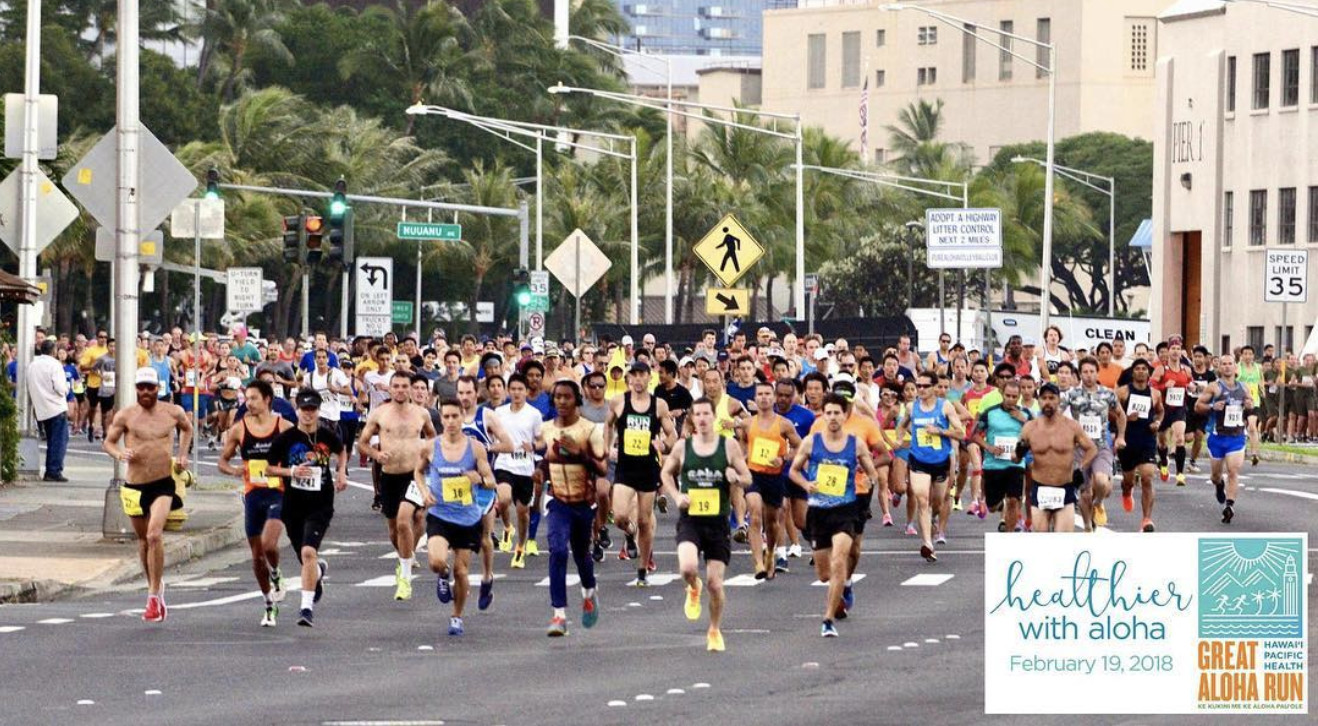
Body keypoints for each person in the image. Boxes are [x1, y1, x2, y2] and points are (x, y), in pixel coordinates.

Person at [660, 397, 752, 651]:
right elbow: (665, 472)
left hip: (718, 522)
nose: (701, 419)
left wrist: (735, 477)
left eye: (706, 414)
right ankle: (693, 587)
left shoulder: (728, 446)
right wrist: (676, 495)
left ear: (714, 417)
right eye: (697, 414)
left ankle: (714, 629)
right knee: (688, 568)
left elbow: (747, 477)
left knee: (715, 583)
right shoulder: (683, 447)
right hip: (691, 519)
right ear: (692, 418)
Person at [102, 368, 193, 622]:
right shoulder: (126, 415)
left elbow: (187, 429)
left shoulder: (172, 412)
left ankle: (153, 597)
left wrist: (182, 454)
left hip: (163, 482)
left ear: (158, 388)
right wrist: (119, 454)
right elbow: (108, 442)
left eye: (149, 387)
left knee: (154, 535)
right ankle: (155, 584)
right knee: (143, 541)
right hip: (135, 485)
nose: (145, 392)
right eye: (140, 387)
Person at [789, 394, 881, 638]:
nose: (832, 417)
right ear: (823, 415)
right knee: (824, 574)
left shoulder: (856, 444)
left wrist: (868, 479)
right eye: (827, 413)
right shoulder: (811, 442)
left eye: (836, 413)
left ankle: (828, 618)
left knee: (840, 559)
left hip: (845, 510)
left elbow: (873, 472)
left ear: (845, 415)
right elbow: (794, 471)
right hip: (818, 511)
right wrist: (806, 484)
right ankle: (839, 588)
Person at [265, 389, 347, 627]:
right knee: (304, 556)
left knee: (309, 552)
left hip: (320, 504)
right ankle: (317, 572)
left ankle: (306, 609)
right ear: (297, 410)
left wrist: (341, 471)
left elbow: (341, 450)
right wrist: (291, 471)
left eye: (312, 410)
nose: (308, 414)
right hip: (293, 505)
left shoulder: (327, 435)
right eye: (304, 409)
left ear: (319, 411)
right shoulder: (286, 438)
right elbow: (269, 468)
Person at [416, 399, 497, 637]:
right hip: (440, 514)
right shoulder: (431, 447)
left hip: (467, 518)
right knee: (436, 562)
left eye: (455, 416)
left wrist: (479, 479)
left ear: (462, 417)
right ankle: (443, 574)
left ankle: (457, 616)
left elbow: (491, 481)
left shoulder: (475, 448)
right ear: (441, 419)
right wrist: (424, 492)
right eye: (446, 417)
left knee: (461, 572)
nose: (451, 421)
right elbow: (418, 471)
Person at [218, 380, 292, 626]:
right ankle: (269, 604)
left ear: (267, 399)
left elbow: (302, 454)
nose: (248, 403)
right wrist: (234, 471)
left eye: (253, 398)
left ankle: (276, 573)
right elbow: (223, 461)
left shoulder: (283, 426)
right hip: (253, 495)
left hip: (277, 493)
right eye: (246, 398)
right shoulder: (240, 429)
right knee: (257, 557)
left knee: (270, 544)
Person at [358, 373, 436, 601]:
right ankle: (405, 556)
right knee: (394, 529)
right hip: (390, 476)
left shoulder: (421, 414)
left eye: (404, 386)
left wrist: (428, 456)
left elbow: (433, 437)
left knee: (405, 520)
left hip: (414, 476)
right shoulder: (380, 413)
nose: (400, 390)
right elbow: (362, 443)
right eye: (396, 386)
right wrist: (376, 455)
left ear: (410, 389)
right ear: (390, 389)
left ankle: (405, 577)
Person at [538, 380, 606, 637]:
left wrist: (579, 454)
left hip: (583, 502)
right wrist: (540, 471)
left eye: (567, 397)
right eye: (557, 397)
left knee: (580, 554)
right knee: (557, 550)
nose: (562, 402)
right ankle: (559, 615)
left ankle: (589, 591)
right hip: (558, 501)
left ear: (577, 400)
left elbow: (601, 468)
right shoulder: (546, 429)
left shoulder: (589, 430)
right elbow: (548, 459)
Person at [605, 361, 677, 585]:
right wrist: (608, 448)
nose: (637, 379)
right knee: (619, 516)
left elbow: (672, 435)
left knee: (645, 521)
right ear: (628, 379)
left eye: (641, 375)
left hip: (647, 468)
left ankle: (643, 569)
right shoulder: (619, 401)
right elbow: (608, 425)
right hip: (625, 467)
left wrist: (663, 445)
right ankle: (629, 532)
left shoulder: (659, 405)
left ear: (649, 377)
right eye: (633, 375)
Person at [895, 372, 964, 562]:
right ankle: (927, 543)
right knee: (922, 500)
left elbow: (960, 433)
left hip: (941, 461)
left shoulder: (945, 406)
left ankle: (933, 519)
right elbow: (901, 426)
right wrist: (900, 438)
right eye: (919, 386)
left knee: (938, 502)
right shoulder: (912, 407)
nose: (921, 389)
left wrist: (940, 431)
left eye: (925, 386)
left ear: (934, 387)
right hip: (918, 460)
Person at [456, 375, 510, 609]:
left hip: (484, 483)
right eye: (461, 393)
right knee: (457, 535)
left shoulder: (486, 416)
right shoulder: (451, 416)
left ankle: (487, 577)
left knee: (484, 537)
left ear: (476, 393)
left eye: (469, 392)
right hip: (458, 484)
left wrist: (486, 447)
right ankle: (456, 576)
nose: (465, 397)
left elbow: (508, 444)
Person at [1015, 383, 1096, 533]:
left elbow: (1091, 448)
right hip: (1040, 487)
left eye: (1052, 398)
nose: (1048, 402)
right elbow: (1015, 459)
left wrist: (1080, 467)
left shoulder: (1071, 426)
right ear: (1039, 401)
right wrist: (1019, 452)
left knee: (1062, 539)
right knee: (1042, 537)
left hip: (1064, 486)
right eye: (1044, 398)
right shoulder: (1030, 428)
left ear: (1059, 400)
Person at [743, 381, 802, 579]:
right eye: (760, 394)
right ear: (755, 397)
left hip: (774, 477)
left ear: (774, 397)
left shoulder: (784, 424)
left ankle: (770, 554)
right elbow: (742, 445)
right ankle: (758, 564)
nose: (764, 398)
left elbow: (799, 447)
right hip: (753, 475)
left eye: (768, 394)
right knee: (755, 514)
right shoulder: (748, 423)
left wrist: (783, 458)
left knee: (772, 522)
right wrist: (741, 461)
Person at [1061, 357, 1126, 532]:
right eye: (1085, 372)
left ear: (1097, 373)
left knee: (1101, 481)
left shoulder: (1107, 394)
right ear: (1080, 374)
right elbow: (1057, 415)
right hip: (1079, 447)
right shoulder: (1071, 395)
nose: (1088, 375)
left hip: (1101, 445)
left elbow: (1120, 415)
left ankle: (1098, 503)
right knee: (1084, 491)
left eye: (1092, 372)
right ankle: (1088, 526)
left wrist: (1120, 436)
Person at [1195, 354, 1252, 525]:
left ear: (1236, 367)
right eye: (1224, 364)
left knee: (1233, 471)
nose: (1227, 367)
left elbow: (1250, 404)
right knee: (1215, 476)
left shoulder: (1244, 387)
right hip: (1217, 437)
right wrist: (1212, 406)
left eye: (1230, 364)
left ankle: (1229, 506)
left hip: (1236, 437)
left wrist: (1249, 404)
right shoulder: (1214, 387)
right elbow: (1197, 406)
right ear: (1219, 367)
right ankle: (1219, 485)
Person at [493, 374, 543, 567]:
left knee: (523, 512)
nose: (516, 393)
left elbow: (542, 440)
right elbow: (492, 435)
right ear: (508, 391)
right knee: (504, 498)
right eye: (513, 389)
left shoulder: (534, 414)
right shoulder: (499, 412)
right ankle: (507, 527)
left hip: (525, 467)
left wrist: (534, 446)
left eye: (520, 389)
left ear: (526, 392)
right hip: (504, 463)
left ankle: (520, 548)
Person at [970, 379, 1031, 533]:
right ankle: (999, 504)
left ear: (1019, 397)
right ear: (1002, 394)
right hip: (994, 464)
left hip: (1015, 464)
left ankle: (1009, 536)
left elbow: (1037, 433)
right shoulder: (990, 413)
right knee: (992, 506)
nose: (1010, 399)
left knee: (1013, 500)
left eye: (1014, 397)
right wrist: (989, 447)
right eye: (1008, 396)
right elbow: (974, 435)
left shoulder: (1025, 414)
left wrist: (1024, 420)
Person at [1117, 359, 1163, 532]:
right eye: (1137, 368)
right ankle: (1126, 491)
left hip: (1147, 439)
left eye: (1144, 368)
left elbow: (1160, 411)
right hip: (1128, 440)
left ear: (1149, 372)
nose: (1141, 371)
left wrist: (1157, 423)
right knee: (1129, 480)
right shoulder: (1123, 392)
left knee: (1147, 477)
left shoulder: (1155, 394)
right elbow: (1111, 413)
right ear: (1132, 372)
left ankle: (1146, 519)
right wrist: (1126, 418)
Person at [1152, 337, 1193, 486]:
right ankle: (1164, 462)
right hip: (1163, 409)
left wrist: (1192, 387)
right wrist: (1164, 386)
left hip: (1179, 409)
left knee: (1180, 438)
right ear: (1168, 351)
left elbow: (1191, 384)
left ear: (1181, 351)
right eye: (1173, 348)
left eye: (1178, 348)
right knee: (1162, 442)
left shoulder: (1186, 370)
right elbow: (1151, 386)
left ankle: (1180, 474)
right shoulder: (1161, 369)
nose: (1175, 351)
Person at [28, 340, 70, 482]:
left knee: (51, 439)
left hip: (41, 407)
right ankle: (53, 470)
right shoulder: (55, 364)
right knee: (59, 441)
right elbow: (60, 388)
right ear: (54, 351)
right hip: (56, 406)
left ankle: (51, 470)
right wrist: (66, 389)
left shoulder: (33, 365)